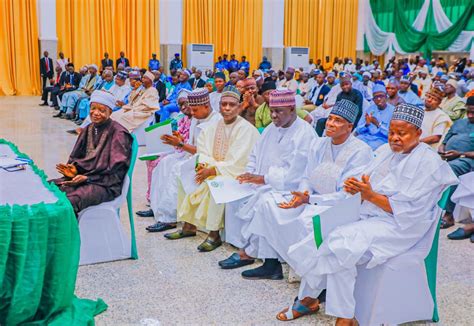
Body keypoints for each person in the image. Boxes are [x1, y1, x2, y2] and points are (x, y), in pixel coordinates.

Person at [275, 103, 458, 324]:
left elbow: (410, 212)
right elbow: (361, 187)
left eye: (402, 133)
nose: (395, 138)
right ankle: (333, 310)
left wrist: (369, 195)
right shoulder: (384, 152)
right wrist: (351, 190)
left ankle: (324, 307)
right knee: (321, 236)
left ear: (418, 133)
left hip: (401, 227)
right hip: (369, 215)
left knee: (338, 245)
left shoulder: (429, 163)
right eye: (391, 132)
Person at [233, 101, 372, 285]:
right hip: (309, 199)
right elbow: (307, 176)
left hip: (336, 207)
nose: (330, 123)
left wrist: (309, 199)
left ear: (349, 126)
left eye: (337, 121)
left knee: (307, 222)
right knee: (267, 203)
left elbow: (347, 196)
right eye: (330, 118)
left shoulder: (361, 152)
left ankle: (315, 281)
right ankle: (271, 263)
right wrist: (302, 195)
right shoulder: (319, 144)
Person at [218, 89, 317, 274]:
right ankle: (245, 247)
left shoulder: (304, 134)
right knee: (236, 194)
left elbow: (294, 175)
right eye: (271, 110)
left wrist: (263, 179)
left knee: (264, 202)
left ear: (292, 108)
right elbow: (255, 154)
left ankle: (266, 262)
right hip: (264, 182)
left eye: (279, 111)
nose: (273, 116)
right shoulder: (272, 128)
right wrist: (250, 174)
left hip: (291, 190)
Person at [164, 87, 260, 252]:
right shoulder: (212, 126)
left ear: (238, 107)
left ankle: (213, 234)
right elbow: (202, 151)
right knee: (184, 176)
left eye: (232, 105)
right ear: (219, 106)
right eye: (224, 104)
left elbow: (238, 162)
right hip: (212, 168)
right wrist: (203, 166)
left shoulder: (246, 129)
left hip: (235, 174)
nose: (227, 108)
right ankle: (189, 226)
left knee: (217, 183)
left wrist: (213, 170)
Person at [145, 89, 221, 229]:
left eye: (195, 110)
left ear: (206, 105)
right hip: (190, 155)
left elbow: (206, 151)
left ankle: (169, 218)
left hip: (206, 161)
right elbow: (191, 145)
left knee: (176, 169)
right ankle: (156, 207)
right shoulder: (197, 117)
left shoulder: (216, 122)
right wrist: (180, 141)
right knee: (163, 164)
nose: (191, 113)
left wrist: (180, 144)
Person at [51, 90, 132, 214]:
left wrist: (88, 178)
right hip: (83, 179)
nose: (96, 113)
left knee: (68, 202)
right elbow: (76, 157)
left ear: (110, 112)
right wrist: (75, 171)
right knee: (50, 188)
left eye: (101, 110)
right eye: (93, 108)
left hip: (106, 185)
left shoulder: (119, 134)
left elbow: (117, 170)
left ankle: (69, 233)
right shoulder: (88, 129)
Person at [438, 97, 474, 230]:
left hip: (467, 160)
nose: (470, 115)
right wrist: (441, 150)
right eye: (468, 112)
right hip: (449, 157)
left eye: (473, 112)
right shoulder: (459, 123)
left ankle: (448, 214)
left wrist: (459, 154)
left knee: (451, 170)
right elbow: (444, 142)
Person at [355, 84, 395, 150]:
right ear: (373, 99)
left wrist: (378, 124)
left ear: (386, 97)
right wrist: (366, 125)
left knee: (367, 150)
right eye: (376, 97)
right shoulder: (369, 109)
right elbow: (358, 130)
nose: (378, 99)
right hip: (365, 137)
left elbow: (392, 135)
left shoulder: (394, 111)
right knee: (353, 145)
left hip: (381, 140)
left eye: (381, 96)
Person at [420, 84, 452, 149]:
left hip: (427, 149)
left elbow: (436, 138)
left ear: (439, 103)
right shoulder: (420, 110)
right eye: (428, 97)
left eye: (434, 99)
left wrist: (416, 143)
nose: (429, 100)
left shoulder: (441, 116)